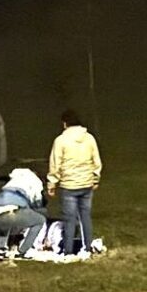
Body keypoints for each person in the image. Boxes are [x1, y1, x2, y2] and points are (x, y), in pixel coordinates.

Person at [46, 110, 102, 256]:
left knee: (69, 220)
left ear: (65, 123)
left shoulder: (60, 141)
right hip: (86, 184)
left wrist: (52, 185)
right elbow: (96, 162)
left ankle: (68, 251)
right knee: (85, 217)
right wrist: (95, 179)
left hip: (69, 186)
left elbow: (55, 165)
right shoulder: (89, 138)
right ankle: (87, 248)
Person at [0, 168, 47, 260]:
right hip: (14, 212)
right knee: (40, 220)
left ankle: (1, 249)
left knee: (5, 220)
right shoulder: (36, 183)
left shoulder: (14, 180)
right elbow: (37, 204)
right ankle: (22, 251)